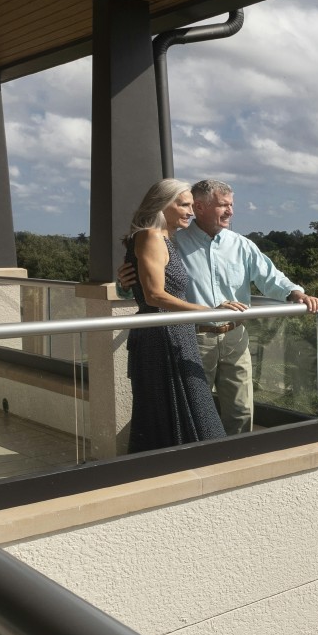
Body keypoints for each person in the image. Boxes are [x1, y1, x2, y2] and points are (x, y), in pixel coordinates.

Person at [119, 179, 318, 434]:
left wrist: (296, 294)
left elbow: (270, 277)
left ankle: (236, 463)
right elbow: (147, 286)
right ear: (201, 207)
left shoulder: (241, 245)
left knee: (241, 410)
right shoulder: (171, 240)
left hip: (236, 337)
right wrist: (124, 283)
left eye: (231, 205)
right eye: (223, 205)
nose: (231, 211)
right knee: (194, 409)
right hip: (193, 337)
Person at [122, 179, 245, 452]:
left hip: (173, 333)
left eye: (191, 204)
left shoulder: (162, 239)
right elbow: (154, 295)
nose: (191, 211)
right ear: (163, 204)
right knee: (184, 413)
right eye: (184, 204)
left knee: (182, 411)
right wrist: (210, 312)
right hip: (162, 336)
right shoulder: (152, 237)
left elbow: (141, 284)